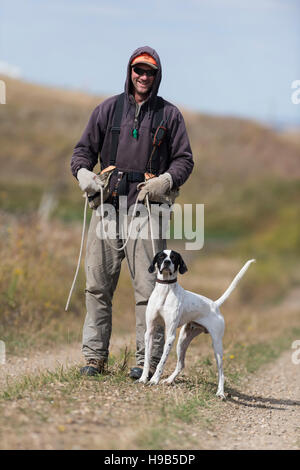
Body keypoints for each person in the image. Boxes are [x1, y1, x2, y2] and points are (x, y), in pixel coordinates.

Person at [70, 46, 194, 379]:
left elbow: (184, 160)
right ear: (130, 71)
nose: (143, 76)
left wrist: (165, 180)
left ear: (157, 76)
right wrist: (84, 174)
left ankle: (147, 362)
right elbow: (81, 153)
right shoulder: (107, 110)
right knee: (97, 286)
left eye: (150, 72)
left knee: (149, 291)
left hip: (148, 212)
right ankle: (94, 357)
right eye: (138, 70)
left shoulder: (170, 116)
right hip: (107, 209)